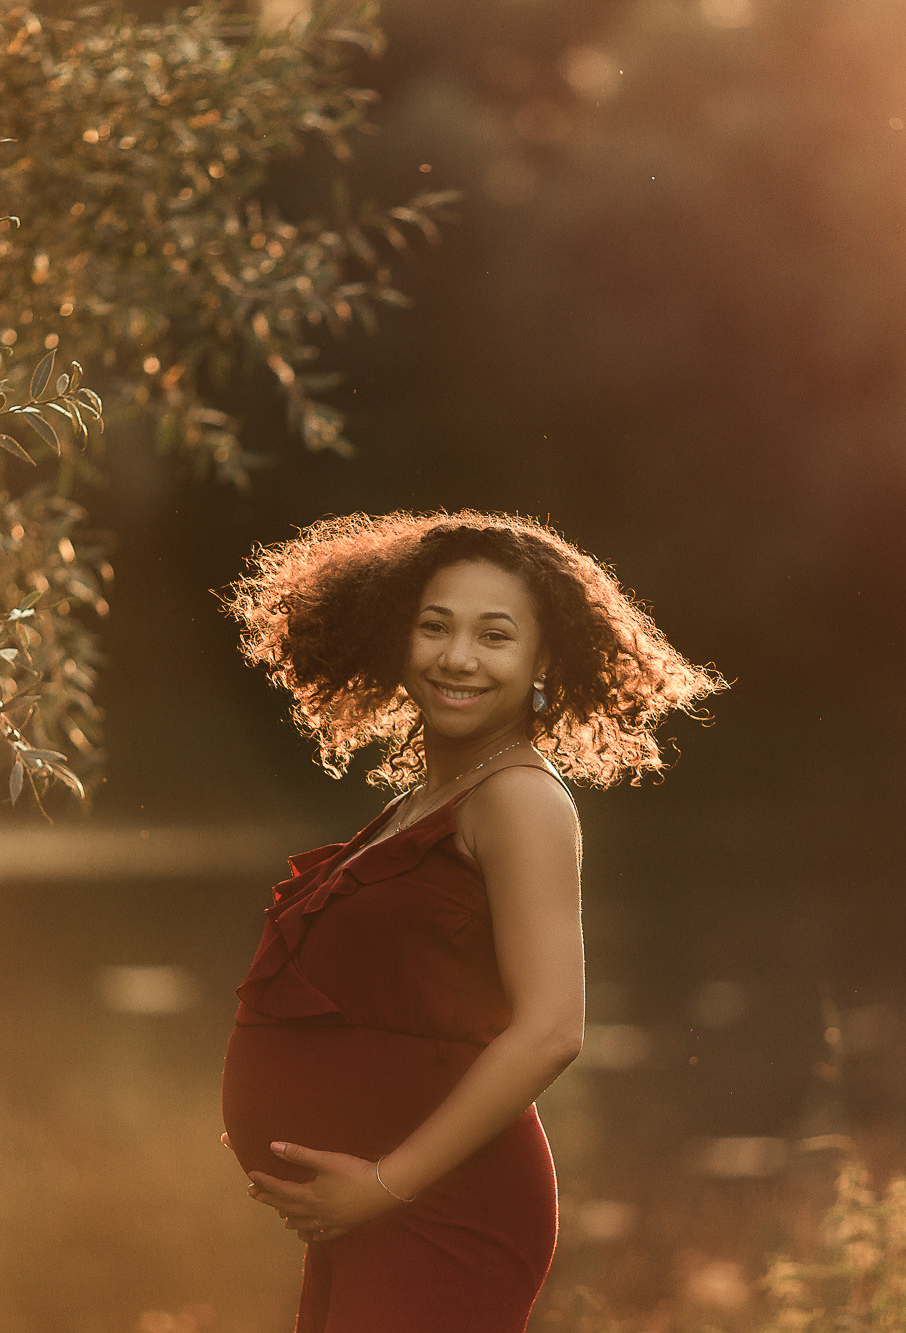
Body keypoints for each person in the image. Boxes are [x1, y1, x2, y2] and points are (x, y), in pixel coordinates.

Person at [217, 511, 724, 1332]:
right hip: (375, 1201)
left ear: (542, 661)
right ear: (396, 637)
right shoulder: (427, 797)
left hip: (440, 1205)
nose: (457, 656)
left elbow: (552, 1028)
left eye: (495, 635)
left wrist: (384, 1183)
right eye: (434, 626)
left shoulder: (519, 797)